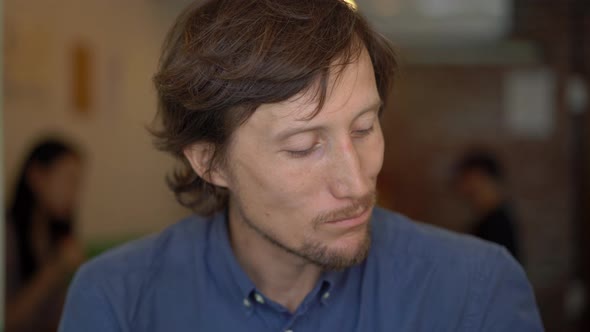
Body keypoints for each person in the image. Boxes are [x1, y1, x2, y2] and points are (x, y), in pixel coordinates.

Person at [59, 1, 544, 331]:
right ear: (211, 162)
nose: (357, 184)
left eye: (363, 128)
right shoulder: (118, 302)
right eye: (303, 146)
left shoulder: (473, 292)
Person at [6, 138, 85, 332]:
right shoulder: (7, 236)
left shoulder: (55, 233)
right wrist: (55, 270)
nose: (74, 193)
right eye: (69, 180)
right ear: (36, 176)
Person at [453, 149, 521, 262]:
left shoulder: (497, 223)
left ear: (480, 177)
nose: (461, 188)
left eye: (465, 179)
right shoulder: (489, 219)